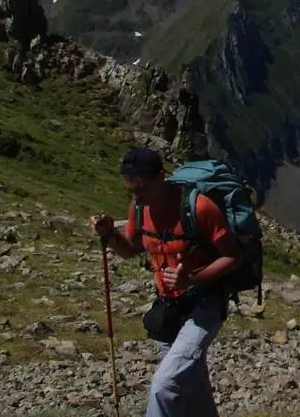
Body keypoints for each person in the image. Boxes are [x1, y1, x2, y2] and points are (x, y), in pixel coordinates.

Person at [90, 147, 242, 417]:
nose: (137, 197)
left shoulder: (199, 207)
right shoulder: (139, 208)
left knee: (164, 385)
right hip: (169, 308)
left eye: (142, 188)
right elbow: (131, 249)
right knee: (192, 384)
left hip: (204, 304)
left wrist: (191, 278)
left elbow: (233, 256)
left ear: (161, 177)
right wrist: (110, 235)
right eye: (131, 191)